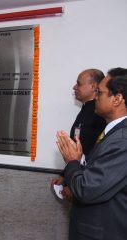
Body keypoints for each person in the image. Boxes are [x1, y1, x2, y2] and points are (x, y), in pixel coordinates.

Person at [56, 73, 127, 240]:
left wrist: (72, 161)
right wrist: (80, 160)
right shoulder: (113, 131)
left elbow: (86, 189)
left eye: (100, 93)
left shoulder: (122, 140)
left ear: (117, 99)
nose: (95, 96)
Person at [51, 69, 106, 201]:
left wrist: (74, 186)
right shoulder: (87, 108)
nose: (74, 87)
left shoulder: (99, 114)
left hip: (86, 183)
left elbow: (94, 154)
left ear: (93, 87)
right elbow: (80, 147)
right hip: (77, 177)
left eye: (78, 84)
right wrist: (65, 175)